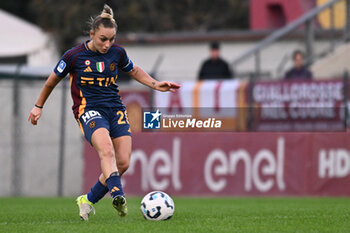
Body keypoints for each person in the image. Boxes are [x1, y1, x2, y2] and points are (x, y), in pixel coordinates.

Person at [28, 4, 180, 221]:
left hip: (115, 109)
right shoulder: (73, 56)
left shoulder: (118, 53)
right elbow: (52, 82)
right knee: (106, 151)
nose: (108, 44)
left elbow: (134, 70)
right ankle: (118, 195)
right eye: (102, 39)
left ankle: (87, 201)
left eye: (112, 39)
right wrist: (38, 106)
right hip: (88, 110)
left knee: (124, 162)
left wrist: (156, 85)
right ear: (91, 34)